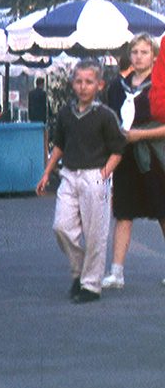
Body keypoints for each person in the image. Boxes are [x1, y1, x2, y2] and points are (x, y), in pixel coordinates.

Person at [36, 60, 125, 303]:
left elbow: (118, 148)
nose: (83, 87)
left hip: (95, 175)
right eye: (78, 81)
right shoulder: (66, 113)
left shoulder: (106, 115)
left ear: (99, 85)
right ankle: (79, 272)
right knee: (62, 227)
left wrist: (105, 173)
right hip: (70, 175)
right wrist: (47, 172)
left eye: (89, 82)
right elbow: (60, 145)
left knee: (95, 232)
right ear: (72, 83)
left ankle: (90, 285)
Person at [102, 36, 165, 289]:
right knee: (124, 213)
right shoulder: (118, 87)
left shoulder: (159, 86)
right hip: (126, 156)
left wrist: (140, 135)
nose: (138, 57)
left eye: (144, 52)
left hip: (154, 155)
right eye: (135, 52)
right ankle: (116, 273)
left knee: (163, 213)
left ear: (154, 56)